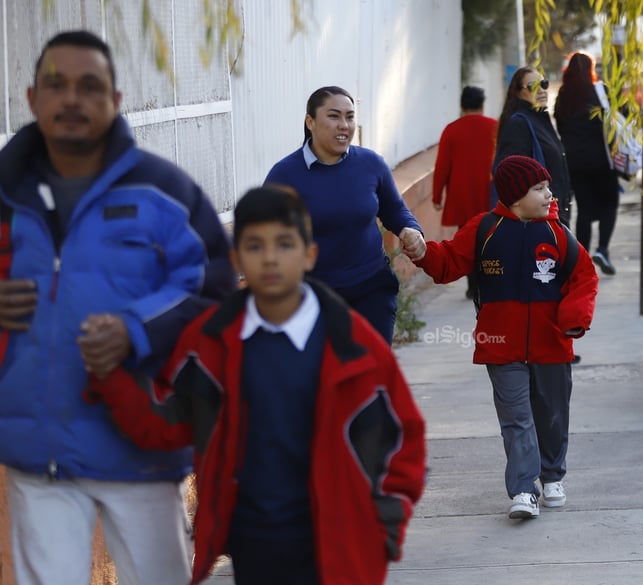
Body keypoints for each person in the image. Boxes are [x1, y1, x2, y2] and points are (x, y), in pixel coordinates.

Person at [87, 185, 427, 585]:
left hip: (338, 545)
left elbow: (401, 440)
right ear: (237, 259)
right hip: (254, 543)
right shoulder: (209, 344)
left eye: (284, 244)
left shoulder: (354, 346)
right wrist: (111, 377)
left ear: (309, 254)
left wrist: (384, 528)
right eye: (255, 246)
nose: (270, 258)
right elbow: (165, 424)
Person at [0, 30, 235, 585]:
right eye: (58, 85)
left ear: (116, 101)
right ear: (32, 98)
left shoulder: (164, 191)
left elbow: (215, 289)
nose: (73, 100)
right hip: (38, 456)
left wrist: (137, 330)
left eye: (91, 86)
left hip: (141, 448)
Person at [410, 155, 598, 520]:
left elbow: (584, 278)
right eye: (539, 188)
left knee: (552, 414)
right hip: (500, 345)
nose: (548, 194)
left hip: (552, 345)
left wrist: (574, 318)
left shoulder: (558, 233)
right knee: (516, 419)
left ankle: (553, 475)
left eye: (547, 187)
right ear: (514, 196)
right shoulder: (485, 229)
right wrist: (421, 253)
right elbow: (449, 262)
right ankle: (524, 490)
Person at [264, 86, 426, 344]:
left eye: (350, 117)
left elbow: (394, 209)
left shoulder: (371, 164)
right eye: (334, 116)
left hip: (371, 291)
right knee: (324, 380)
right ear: (310, 122)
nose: (344, 125)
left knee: (372, 375)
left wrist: (410, 229)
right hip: (311, 298)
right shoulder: (284, 175)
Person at [554, 51, 621, 275]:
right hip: (602, 161)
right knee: (610, 204)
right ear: (591, 69)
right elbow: (615, 122)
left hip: (574, 163)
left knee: (584, 209)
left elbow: (561, 129)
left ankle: (582, 261)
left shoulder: (563, 96)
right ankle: (602, 249)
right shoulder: (600, 92)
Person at [432, 86, 498, 298]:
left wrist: (436, 196)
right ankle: (490, 282)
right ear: (482, 104)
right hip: (490, 193)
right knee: (492, 237)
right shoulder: (495, 127)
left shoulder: (451, 130)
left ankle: (473, 285)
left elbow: (442, 166)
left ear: (461, 106)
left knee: (468, 239)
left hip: (463, 196)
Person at [495, 67, 573, 227]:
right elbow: (509, 174)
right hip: (537, 219)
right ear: (518, 92)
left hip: (552, 212)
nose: (541, 90)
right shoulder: (518, 124)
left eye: (543, 84)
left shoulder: (540, 118)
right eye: (533, 86)